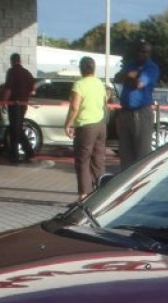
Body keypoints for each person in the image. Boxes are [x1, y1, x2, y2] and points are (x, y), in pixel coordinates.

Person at [64, 57, 107, 200]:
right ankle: (100, 192)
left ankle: (83, 195)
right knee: (98, 159)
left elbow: (75, 107)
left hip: (85, 126)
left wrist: (68, 124)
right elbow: (104, 101)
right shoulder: (100, 83)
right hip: (100, 125)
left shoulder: (79, 85)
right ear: (93, 68)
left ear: (81, 69)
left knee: (82, 160)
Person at [113, 40, 159, 170]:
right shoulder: (131, 65)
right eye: (139, 50)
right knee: (125, 156)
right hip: (125, 112)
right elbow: (118, 77)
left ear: (149, 53)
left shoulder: (151, 68)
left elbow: (139, 83)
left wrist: (129, 77)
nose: (141, 54)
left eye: (144, 51)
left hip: (141, 113)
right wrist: (131, 76)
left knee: (142, 156)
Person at [2, 52, 36, 163]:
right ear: (20, 61)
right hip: (23, 104)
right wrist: (26, 96)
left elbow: (8, 89)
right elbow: (33, 87)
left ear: (12, 61)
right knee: (17, 128)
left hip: (14, 104)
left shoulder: (11, 72)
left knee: (14, 129)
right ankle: (28, 152)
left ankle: (15, 156)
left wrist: (4, 102)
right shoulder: (26, 73)